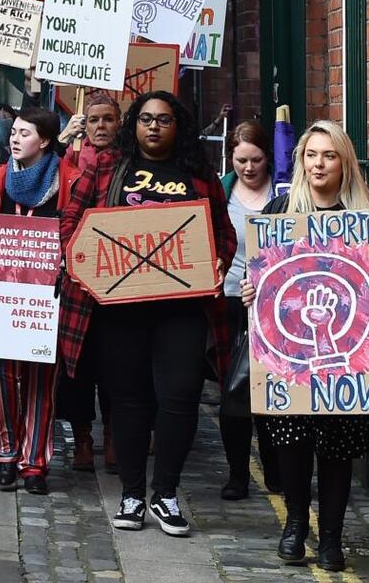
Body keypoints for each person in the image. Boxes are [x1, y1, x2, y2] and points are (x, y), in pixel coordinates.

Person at [59, 91, 237, 536]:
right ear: (132, 125)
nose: (153, 127)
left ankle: (167, 495)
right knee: (129, 402)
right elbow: (70, 221)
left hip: (182, 309)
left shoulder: (198, 175)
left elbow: (223, 233)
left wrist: (218, 261)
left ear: (178, 125)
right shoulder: (105, 166)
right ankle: (133, 495)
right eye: (144, 119)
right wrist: (79, 256)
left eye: (163, 119)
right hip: (121, 308)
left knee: (179, 398)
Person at [240, 120, 369, 571]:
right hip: (289, 360)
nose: (319, 163)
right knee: (291, 444)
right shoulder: (278, 212)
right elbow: (260, 283)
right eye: (312, 154)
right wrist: (250, 294)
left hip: (345, 361)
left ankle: (332, 539)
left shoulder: (368, 221)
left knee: (337, 449)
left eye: (329, 155)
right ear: (301, 160)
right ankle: (294, 525)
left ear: (344, 162)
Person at [0, 108, 81, 495]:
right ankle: (5, 453)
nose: (15, 139)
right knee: (0, 375)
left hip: (47, 295)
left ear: (47, 141)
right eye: (14, 132)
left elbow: (77, 231)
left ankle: (34, 461)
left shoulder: (69, 179)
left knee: (41, 379)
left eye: (25, 133)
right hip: (0, 293)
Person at [56, 91, 121, 472]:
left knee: (115, 365)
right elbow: (66, 211)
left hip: (116, 279)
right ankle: (82, 438)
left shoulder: (128, 163)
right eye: (93, 120)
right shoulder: (72, 160)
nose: (100, 126)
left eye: (107, 119)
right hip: (80, 279)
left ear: (118, 123)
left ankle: (113, 434)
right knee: (75, 367)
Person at [219, 121, 279, 499]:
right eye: (241, 160)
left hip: (275, 305)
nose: (249, 168)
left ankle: (276, 473)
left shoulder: (284, 191)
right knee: (234, 391)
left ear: (268, 158)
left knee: (273, 393)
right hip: (229, 301)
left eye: (256, 159)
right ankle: (238, 474)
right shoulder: (221, 191)